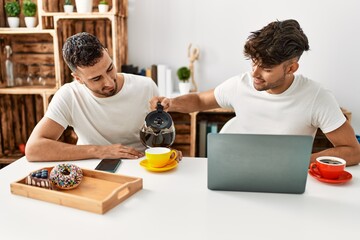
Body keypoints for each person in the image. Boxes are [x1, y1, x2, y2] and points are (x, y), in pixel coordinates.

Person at [151, 19, 360, 166]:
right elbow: (198, 100)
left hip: (287, 181)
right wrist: (171, 103)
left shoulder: (317, 97)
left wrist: (304, 161)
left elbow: (352, 151)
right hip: (238, 172)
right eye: (253, 63)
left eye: (267, 69)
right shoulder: (239, 85)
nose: (254, 74)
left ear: (291, 68)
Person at [26, 32, 158, 162]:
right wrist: (100, 151)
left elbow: (159, 139)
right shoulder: (69, 95)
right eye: (96, 78)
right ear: (78, 78)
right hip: (93, 169)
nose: (109, 83)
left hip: (141, 165)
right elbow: (34, 149)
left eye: (110, 68)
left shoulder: (146, 86)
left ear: (107, 53)